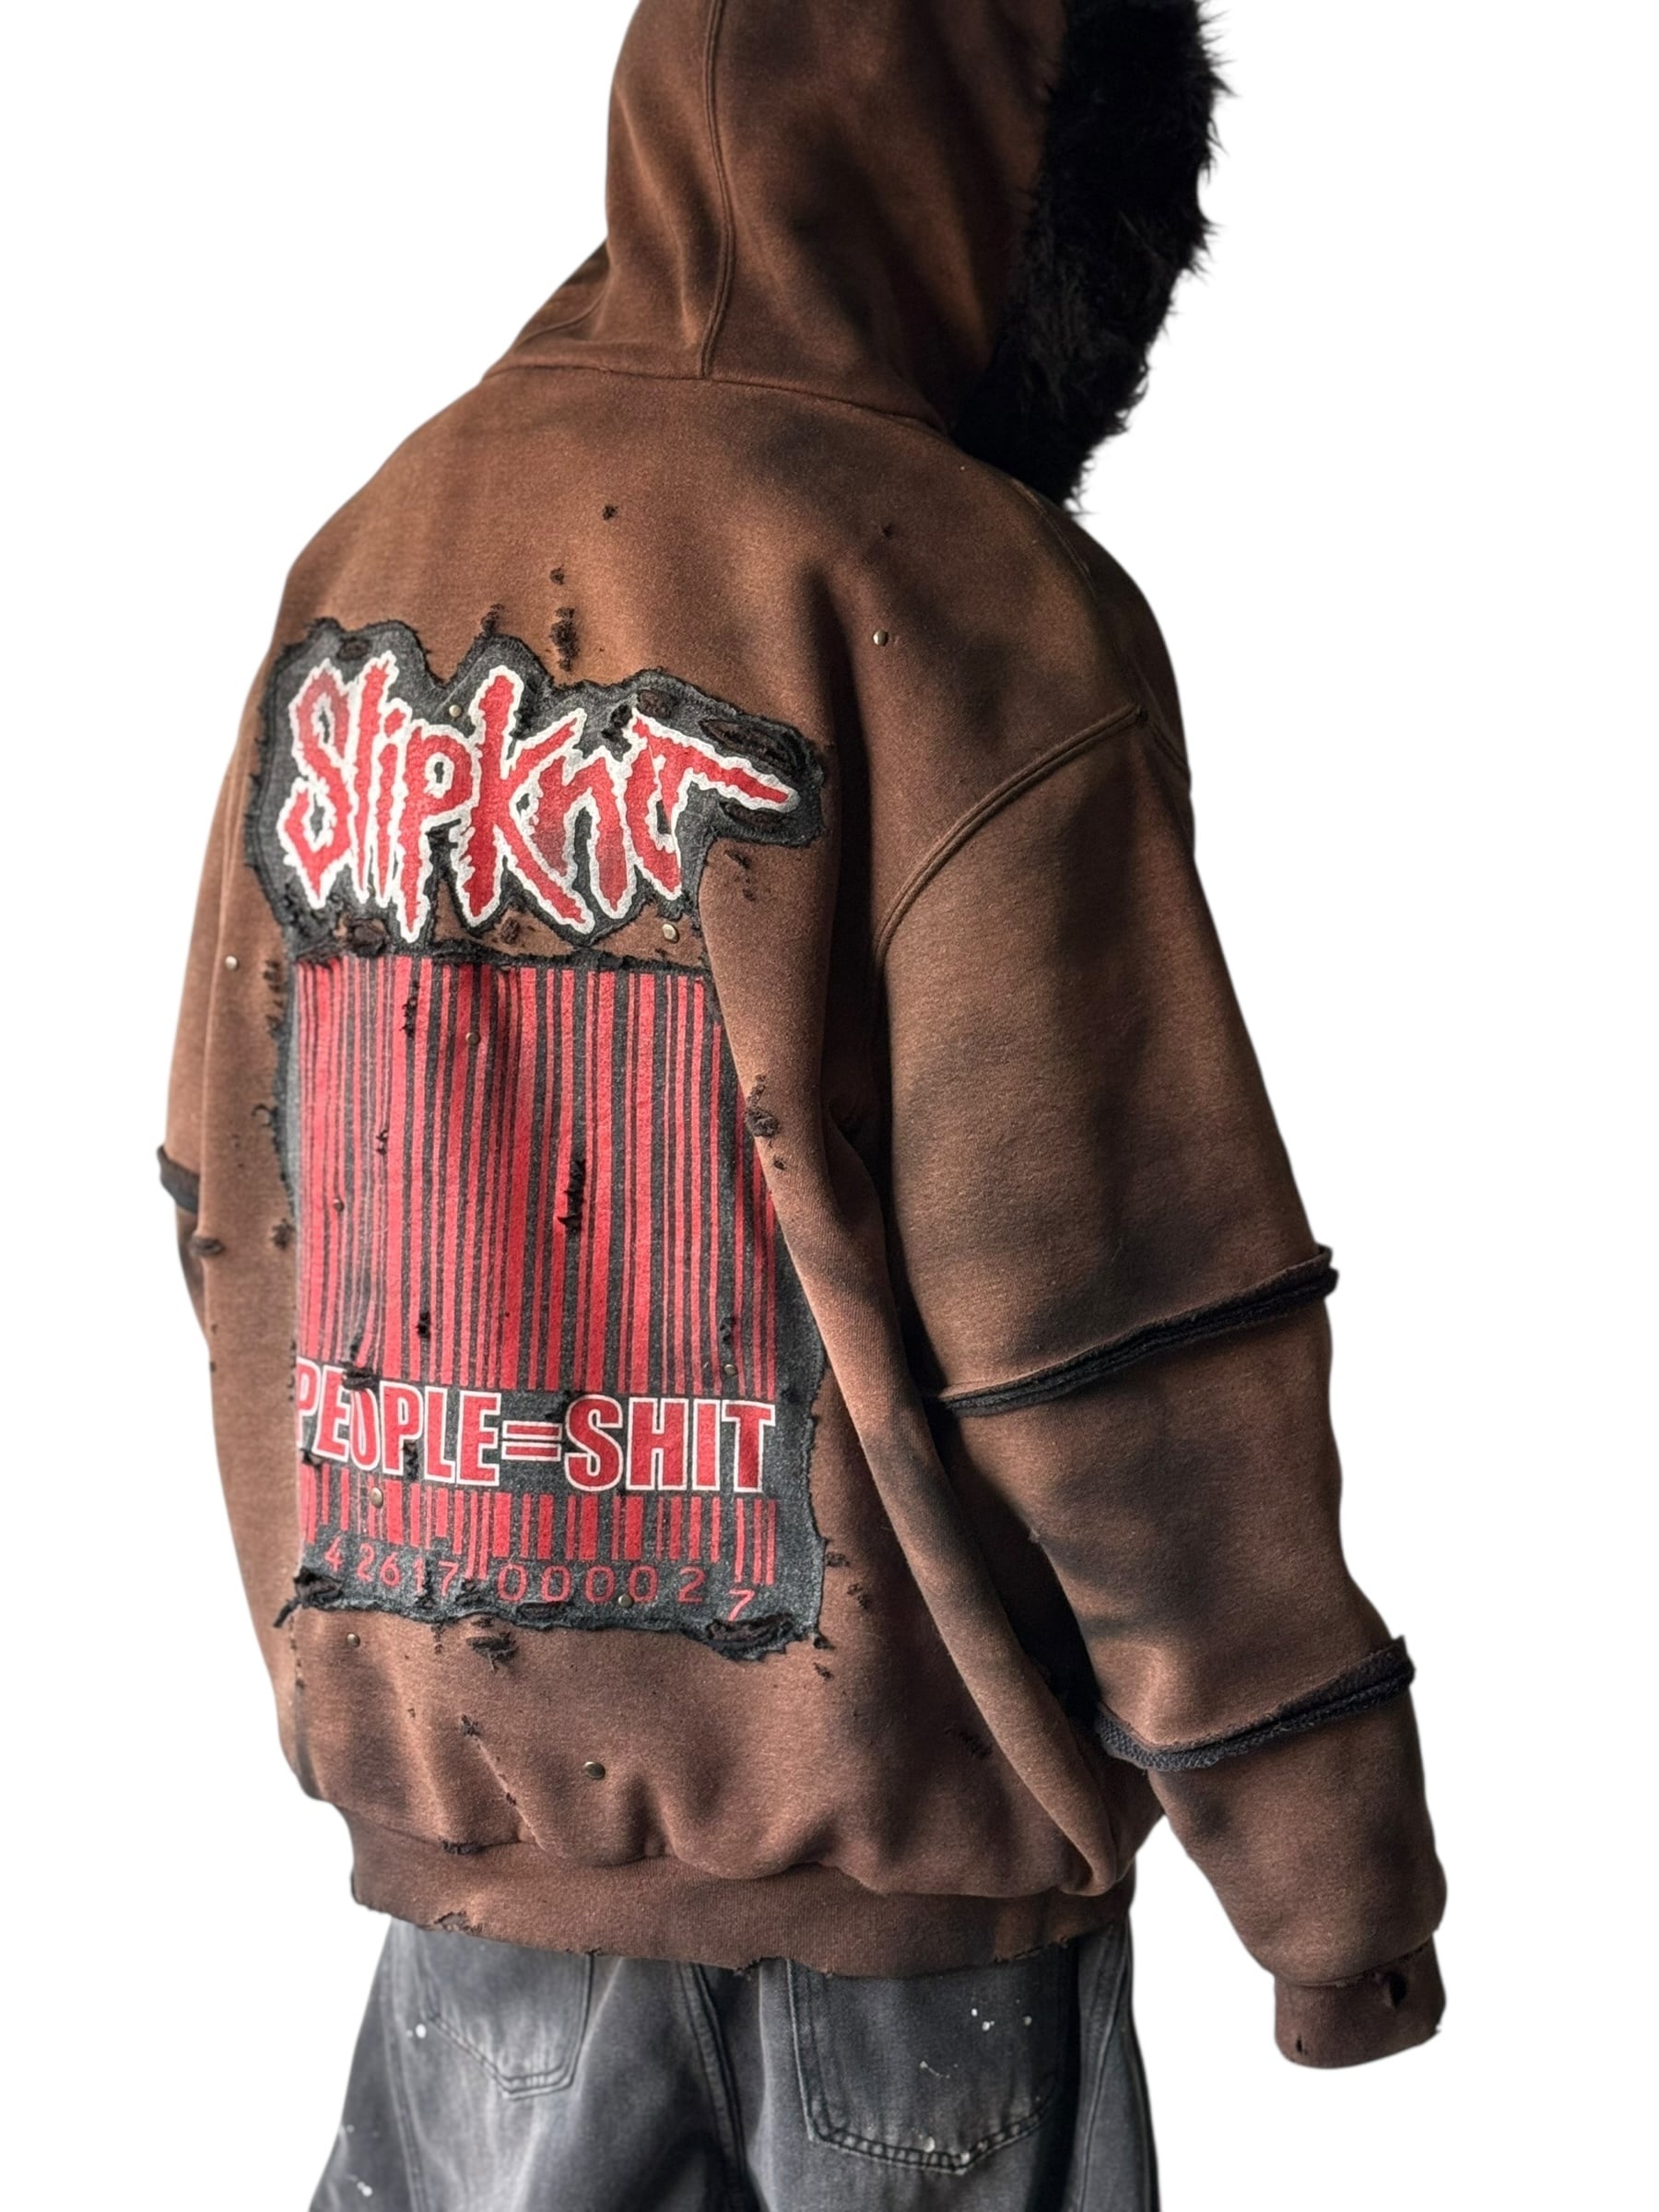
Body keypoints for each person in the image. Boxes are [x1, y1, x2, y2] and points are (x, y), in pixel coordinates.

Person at [161, 2, 1445, 2204]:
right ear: (1036, 192)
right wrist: (1329, 1876)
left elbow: (232, 1196)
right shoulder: (959, 591)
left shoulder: (367, 550)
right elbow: (1111, 1324)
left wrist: (419, 1702)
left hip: (473, 1905)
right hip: (907, 1919)